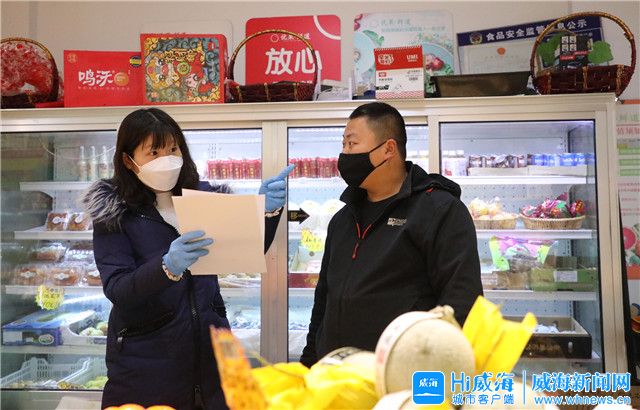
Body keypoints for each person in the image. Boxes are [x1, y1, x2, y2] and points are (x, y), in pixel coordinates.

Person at [83, 108, 292, 410]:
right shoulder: (115, 213)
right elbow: (118, 288)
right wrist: (165, 268)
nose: (166, 159)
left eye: (172, 149)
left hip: (213, 354)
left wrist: (267, 214)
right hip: (147, 362)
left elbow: (244, 251)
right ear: (128, 161)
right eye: (153, 153)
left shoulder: (204, 197)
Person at [300, 102, 483, 367]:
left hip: (402, 378)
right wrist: (308, 366)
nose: (344, 154)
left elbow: (461, 302)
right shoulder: (342, 219)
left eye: (352, 144)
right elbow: (323, 301)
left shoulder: (439, 210)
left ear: (388, 149)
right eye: (343, 145)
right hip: (336, 376)